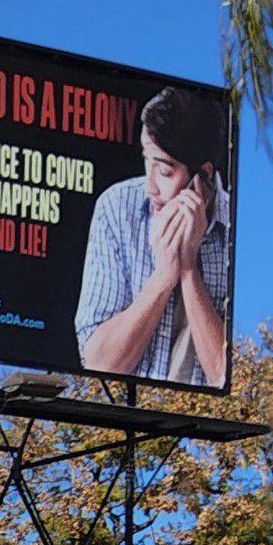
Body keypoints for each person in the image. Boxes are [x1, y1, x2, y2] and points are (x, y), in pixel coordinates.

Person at [76, 87, 231, 387]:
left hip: (202, 430)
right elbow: (98, 364)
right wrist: (164, 275)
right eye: (147, 161)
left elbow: (226, 376)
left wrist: (188, 271)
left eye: (165, 171)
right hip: (121, 428)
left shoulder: (238, 229)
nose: (150, 187)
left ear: (203, 177)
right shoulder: (117, 208)